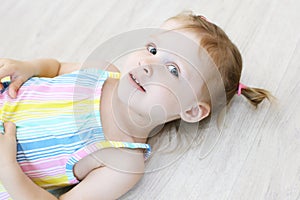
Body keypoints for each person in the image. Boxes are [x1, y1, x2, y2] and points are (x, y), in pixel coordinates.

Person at [0, 12, 272, 200]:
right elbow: (56, 67)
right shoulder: (101, 70)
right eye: (153, 49)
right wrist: (29, 67)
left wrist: (8, 168)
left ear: (191, 110)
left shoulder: (123, 162)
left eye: (173, 70)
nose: (147, 64)